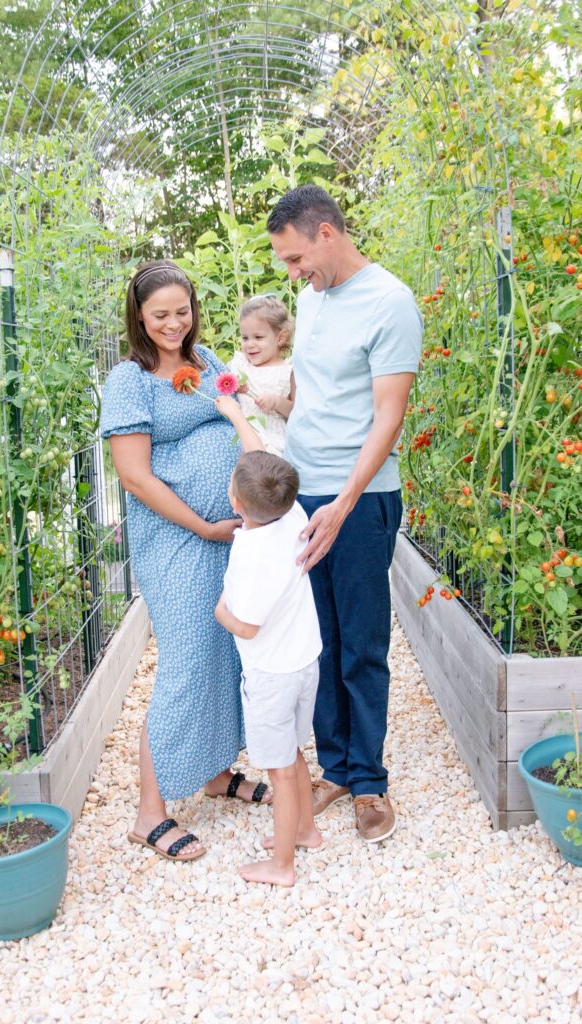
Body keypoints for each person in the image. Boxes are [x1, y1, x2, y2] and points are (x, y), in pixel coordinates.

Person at [100, 260, 271, 864]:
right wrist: (203, 525)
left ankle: (215, 772)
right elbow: (135, 477)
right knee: (185, 661)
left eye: (183, 311)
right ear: (139, 319)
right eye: (160, 315)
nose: (174, 324)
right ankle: (149, 812)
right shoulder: (130, 380)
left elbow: (243, 412)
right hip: (177, 540)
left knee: (225, 651)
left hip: (229, 537)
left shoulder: (210, 364)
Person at [266, 185, 423, 843]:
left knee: (360, 643)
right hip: (302, 491)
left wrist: (342, 503)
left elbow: (389, 415)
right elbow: (315, 385)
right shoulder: (311, 295)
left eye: (297, 257)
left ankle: (367, 782)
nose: (292, 273)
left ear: (327, 233)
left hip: (358, 499)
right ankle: (333, 764)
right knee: (317, 638)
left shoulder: (390, 302)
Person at [215, 450, 323, 887]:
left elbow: (248, 625)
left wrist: (220, 611)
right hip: (304, 662)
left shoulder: (250, 555)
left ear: (235, 502)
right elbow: (259, 457)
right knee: (293, 752)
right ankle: (306, 830)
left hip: (271, 676)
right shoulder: (294, 513)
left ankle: (282, 865)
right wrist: (236, 412)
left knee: (278, 769)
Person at [228, 294, 295, 456]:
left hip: (273, 439)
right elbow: (223, 386)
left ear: (280, 338)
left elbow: (297, 412)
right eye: (245, 338)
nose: (250, 344)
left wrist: (277, 402)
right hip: (240, 435)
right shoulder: (241, 364)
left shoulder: (287, 371)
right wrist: (235, 386)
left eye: (258, 337)